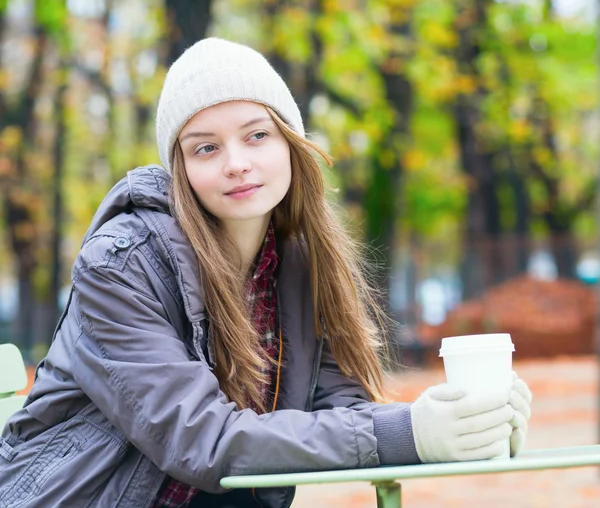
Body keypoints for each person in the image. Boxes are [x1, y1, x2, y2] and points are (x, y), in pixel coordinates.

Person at [0, 38, 532, 508]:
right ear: (181, 169)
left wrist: (467, 419)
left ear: (290, 145)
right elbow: (200, 439)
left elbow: (341, 413)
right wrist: (409, 433)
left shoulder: (299, 264)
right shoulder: (120, 265)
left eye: (257, 135)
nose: (236, 162)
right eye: (205, 147)